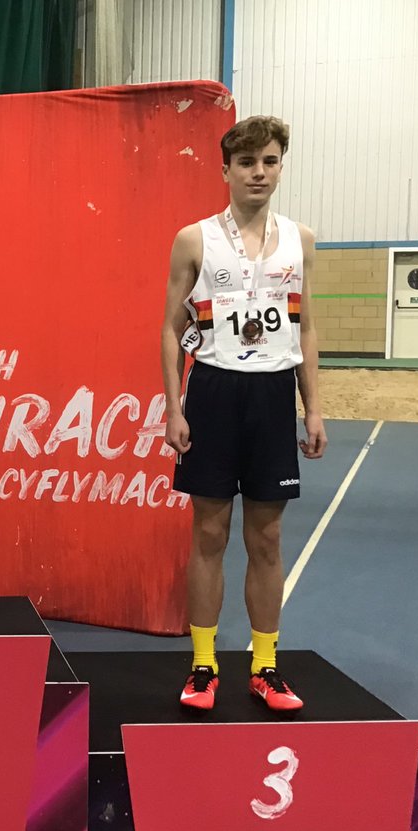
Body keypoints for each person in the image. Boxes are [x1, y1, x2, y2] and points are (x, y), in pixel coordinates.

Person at [161, 115, 327, 714]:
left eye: (270, 161)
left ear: (281, 167)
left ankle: (264, 668)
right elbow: (170, 328)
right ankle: (204, 665)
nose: (259, 172)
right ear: (226, 169)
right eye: (248, 162)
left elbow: (306, 329)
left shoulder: (301, 240)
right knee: (209, 533)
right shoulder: (194, 239)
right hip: (213, 392)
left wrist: (313, 409)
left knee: (268, 536)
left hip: (272, 396)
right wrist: (172, 406)